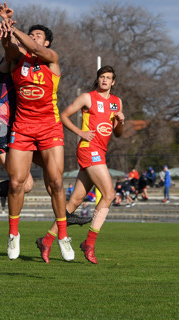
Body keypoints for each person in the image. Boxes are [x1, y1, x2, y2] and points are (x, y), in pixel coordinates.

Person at [0, 10, 74, 262]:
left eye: (38, 35)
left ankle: (62, 235)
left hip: (49, 126)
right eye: (31, 34)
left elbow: (34, 48)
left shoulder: (51, 59)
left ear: (47, 42)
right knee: (16, 182)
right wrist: (8, 30)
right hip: (22, 126)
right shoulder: (17, 61)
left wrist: (18, 32)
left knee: (56, 182)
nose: (33, 38)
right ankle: (13, 233)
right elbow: (10, 48)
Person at [45, 65, 125, 264]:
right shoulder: (88, 98)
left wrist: (121, 122)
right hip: (89, 150)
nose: (105, 80)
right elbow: (63, 115)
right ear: (98, 80)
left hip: (101, 153)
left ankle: (46, 240)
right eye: (102, 77)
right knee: (109, 194)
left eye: (108, 78)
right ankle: (89, 242)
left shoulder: (116, 102)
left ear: (113, 82)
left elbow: (118, 133)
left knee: (74, 202)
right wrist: (80, 133)